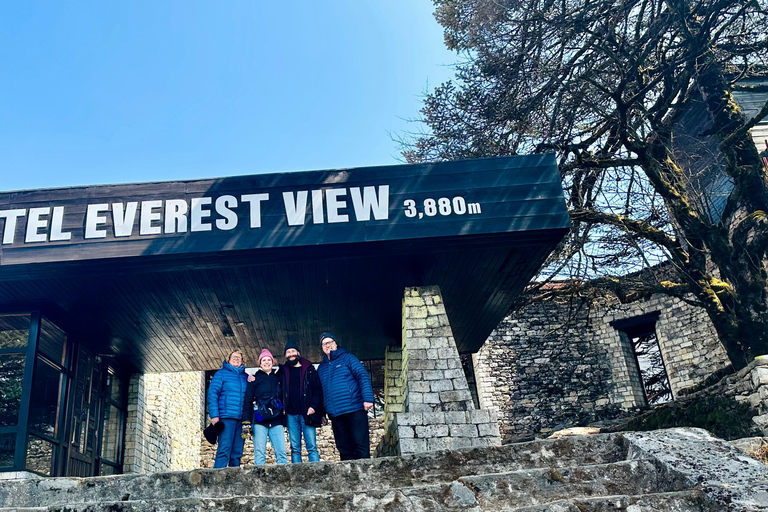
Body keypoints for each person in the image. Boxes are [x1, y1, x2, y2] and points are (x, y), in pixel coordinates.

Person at [317, 332, 374, 460]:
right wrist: (322, 413)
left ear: (336, 343)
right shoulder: (321, 368)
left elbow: (362, 376)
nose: (328, 345)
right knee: (344, 449)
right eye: (324, 344)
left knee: (360, 447)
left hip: (354, 409)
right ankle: (349, 479)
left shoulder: (348, 358)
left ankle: (365, 478)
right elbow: (320, 391)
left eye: (330, 342)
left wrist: (368, 398)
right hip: (336, 414)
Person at [242, 349, 288, 465]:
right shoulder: (254, 379)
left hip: (276, 418)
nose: (266, 362)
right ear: (260, 363)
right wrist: (246, 420)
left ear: (272, 362)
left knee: (281, 452)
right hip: (259, 418)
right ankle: (259, 481)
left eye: (269, 360)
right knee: (259, 453)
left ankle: (283, 481)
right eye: (264, 360)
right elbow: (248, 401)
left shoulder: (278, 378)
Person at [282, 337, 324, 463]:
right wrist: (253, 378)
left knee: (312, 447)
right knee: (295, 448)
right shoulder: (283, 371)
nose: (291, 354)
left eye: (293, 351)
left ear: (298, 353)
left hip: (307, 413)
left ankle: (316, 474)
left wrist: (314, 407)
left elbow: (318, 390)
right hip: (291, 414)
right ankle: (297, 478)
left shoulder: (310, 369)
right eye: (288, 352)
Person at [207, 350, 249, 468]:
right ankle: (217, 480)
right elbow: (212, 393)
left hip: (241, 420)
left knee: (237, 453)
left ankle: (234, 482)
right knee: (224, 450)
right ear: (228, 359)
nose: (237, 359)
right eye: (234, 357)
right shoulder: (221, 374)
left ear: (242, 361)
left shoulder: (245, 377)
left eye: (239, 358)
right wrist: (214, 415)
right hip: (226, 417)